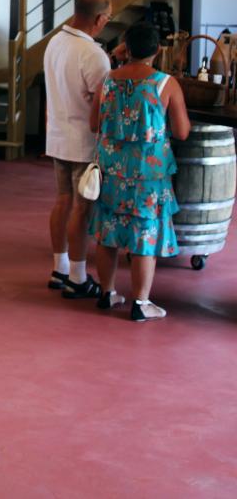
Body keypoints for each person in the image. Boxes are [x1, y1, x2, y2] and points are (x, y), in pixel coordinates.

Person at [88, 22, 190, 321]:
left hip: (111, 169)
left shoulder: (107, 80)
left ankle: (107, 294)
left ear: (126, 49)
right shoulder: (165, 83)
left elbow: (94, 125)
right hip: (149, 174)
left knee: (108, 231)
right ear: (157, 50)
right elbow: (182, 132)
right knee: (145, 232)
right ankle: (140, 303)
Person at [43, 0, 112, 298]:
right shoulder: (94, 54)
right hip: (84, 139)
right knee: (82, 209)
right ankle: (78, 276)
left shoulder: (55, 42)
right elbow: (103, 101)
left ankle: (59, 269)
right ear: (98, 19)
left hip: (57, 135)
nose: (106, 24)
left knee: (62, 201)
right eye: (107, 18)